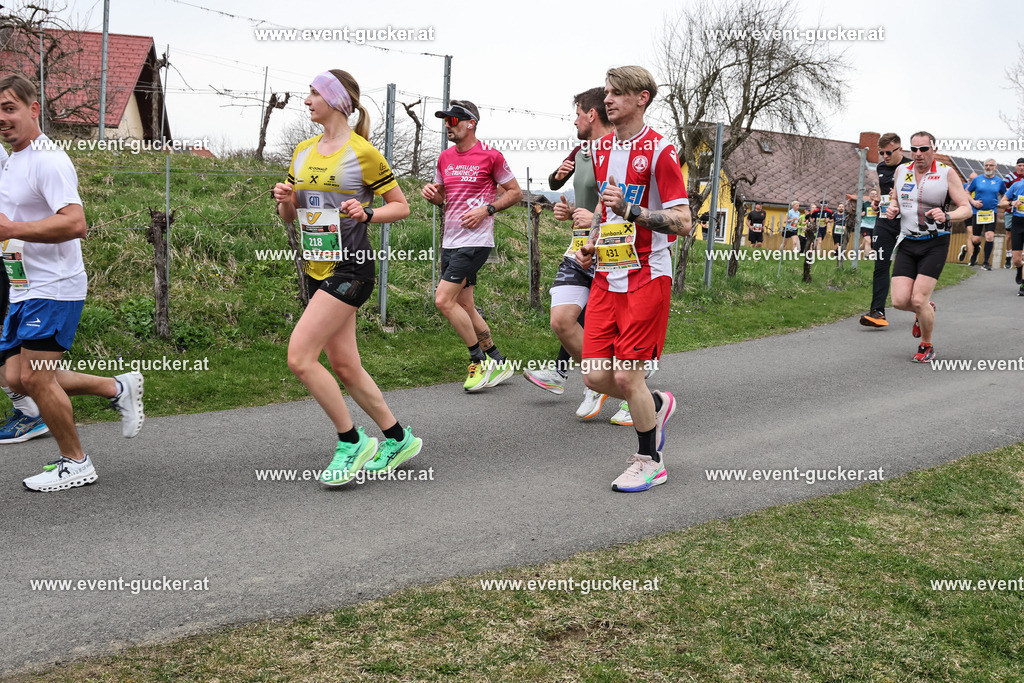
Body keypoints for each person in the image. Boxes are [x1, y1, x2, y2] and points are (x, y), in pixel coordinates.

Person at [274, 69, 422, 485]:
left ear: (337, 101)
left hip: (352, 268)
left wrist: (367, 212)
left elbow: (401, 206)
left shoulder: (363, 153)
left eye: (313, 93)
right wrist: (286, 200)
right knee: (345, 365)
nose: (306, 100)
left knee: (300, 357)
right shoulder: (303, 151)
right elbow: (290, 215)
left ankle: (351, 441)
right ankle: (397, 438)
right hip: (316, 266)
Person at [0, 74, 144, 491]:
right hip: (23, 285)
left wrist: (13, 228)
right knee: (16, 376)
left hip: (55, 286)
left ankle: (76, 461)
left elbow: (75, 223)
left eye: (10, 109)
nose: (3, 119)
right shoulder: (13, 159)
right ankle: (117, 386)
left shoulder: (48, 158)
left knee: (37, 377)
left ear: (33, 109)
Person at [574, 66, 690, 492]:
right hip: (608, 272)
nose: (608, 100)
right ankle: (656, 404)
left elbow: (683, 222)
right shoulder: (601, 148)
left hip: (647, 275)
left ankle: (650, 460)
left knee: (626, 377)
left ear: (642, 98)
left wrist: (633, 212)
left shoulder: (660, 151)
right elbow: (605, 209)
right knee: (594, 376)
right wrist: (589, 244)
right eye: (606, 93)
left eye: (618, 93)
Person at [525, 87, 616, 420]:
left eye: (577, 113)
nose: (574, 120)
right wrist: (572, 212)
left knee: (608, 329)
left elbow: (622, 204)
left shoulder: (619, 150)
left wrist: (592, 217)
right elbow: (569, 189)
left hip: (613, 249)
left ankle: (633, 395)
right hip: (579, 246)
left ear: (591, 114)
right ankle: (595, 382)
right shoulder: (582, 151)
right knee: (563, 320)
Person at [422, 100, 523, 392]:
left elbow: (515, 192)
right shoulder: (444, 158)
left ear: (471, 123)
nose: (448, 126)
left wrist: (486, 210)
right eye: (445, 121)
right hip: (450, 241)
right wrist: (432, 195)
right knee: (464, 303)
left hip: (475, 241)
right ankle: (498, 359)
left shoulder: (491, 157)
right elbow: (442, 197)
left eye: (453, 120)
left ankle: (479, 361)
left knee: (443, 300)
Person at [887, 131, 972, 362]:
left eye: (923, 149)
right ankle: (925, 309)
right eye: (914, 149)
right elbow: (895, 198)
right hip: (907, 241)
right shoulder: (901, 171)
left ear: (933, 150)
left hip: (935, 242)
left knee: (917, 300)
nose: (918, 154)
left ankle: (927, 345)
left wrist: (947, 215)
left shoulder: (946, 173)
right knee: (899, 301)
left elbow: (966, 208)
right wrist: (893, 207)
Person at [860, 133, 910, 328]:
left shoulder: (910, 168)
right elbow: (882, 191)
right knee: (880, 265)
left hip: (906, 223)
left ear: (900, 149)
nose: (885, 156)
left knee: (906, 267)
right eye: (881, 153)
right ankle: (877, 312)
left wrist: (901, 196)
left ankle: (919, 307)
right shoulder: (881, 167)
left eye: (888, 152)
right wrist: (877, 201)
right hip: (883, 221)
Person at [961, 161, 1006, 270]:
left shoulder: (999, 181)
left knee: (989, 236)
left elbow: (1005, 194)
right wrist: (973, 202)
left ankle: (986, 262)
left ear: (996, 167)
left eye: (991, 165)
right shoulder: (977, 179)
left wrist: (1000, 203)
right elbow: (967, 193)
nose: (988, 167)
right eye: (986, 165)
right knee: (975, 239)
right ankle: (976, 251)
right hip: (978, 212)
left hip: (991, 212)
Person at [1003, 174, 1024, 295]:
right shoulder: (1017, 185)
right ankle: (1019, 268)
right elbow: (1002, 202)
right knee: (1017, 259)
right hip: (1017, 222)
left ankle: (1023, 285)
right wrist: (1012, 203)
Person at [1002, 159, 1024, 269]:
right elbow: (1002, 194)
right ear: (1016, 166)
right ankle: (1009, 256)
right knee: (1009, 235)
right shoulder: (1013, 180)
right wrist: (1012, 202)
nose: (1022, 167)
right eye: (1020, 165)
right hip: (1013, 214)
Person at [859, 189, 879, 260]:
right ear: (869, 195)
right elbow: (858, 213)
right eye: (872, 193)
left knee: (869, 243)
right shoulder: (865, 204)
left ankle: (858, 250)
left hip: (875, 226)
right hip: (865, 225)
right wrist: (861, 214)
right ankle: (866, 257)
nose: (873, 195)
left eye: (875, 194)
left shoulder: (879, 204)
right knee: (868, 241)